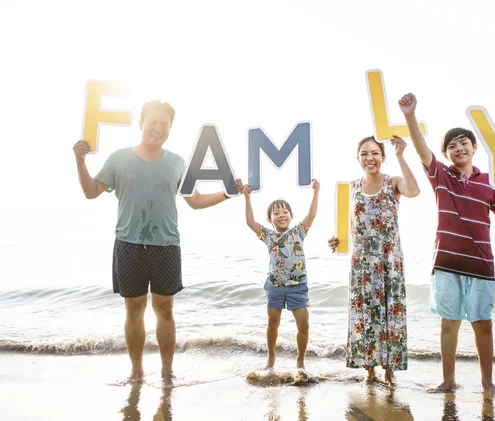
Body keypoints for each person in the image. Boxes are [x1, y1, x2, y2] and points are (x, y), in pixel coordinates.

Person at [72, 100, 241, 383]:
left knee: (165, 308)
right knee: (133, 309)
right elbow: (91, 191)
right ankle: (137, 371)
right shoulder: (119, 158)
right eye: (153, 123)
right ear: (140, 124)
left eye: (165, 125)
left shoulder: (177, 163)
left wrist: (227, 194)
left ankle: (166, 371)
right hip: (128, 243)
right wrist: (80, 161)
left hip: (166, 244)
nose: (158, 129)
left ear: (170, 129)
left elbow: (195, 202)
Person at [398, 93, 495, 394]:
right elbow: (421, 148)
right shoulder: (440, 175)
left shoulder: (488, 182)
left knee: (483, 323)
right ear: (447, 154)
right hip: (447, 262)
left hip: (481, 263)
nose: (458, 148)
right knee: (448, 323)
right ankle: (448, 380)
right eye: (452, 146)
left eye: (463, 143)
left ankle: (487, 382)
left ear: (474, 147)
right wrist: (410, 116)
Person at [328, 135, 420, 385]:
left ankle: (389, 368)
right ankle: (369, 369)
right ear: (357, 158)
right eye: (364, 154)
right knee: (365, 315)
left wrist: (402, 155)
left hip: (389, 261)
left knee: (390, 314)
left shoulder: (394, 183)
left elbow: (414, 190)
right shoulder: (351, 187)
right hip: (362, 264)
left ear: (383, 156)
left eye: (375, 153)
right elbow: (346, 225)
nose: (370, 158)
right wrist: (337, 241)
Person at [238, 179, 320, 374]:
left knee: (304, 325)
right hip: (275, 286)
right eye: (276, 213)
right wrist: (247, 198)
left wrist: (315, 193)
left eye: (285, 213)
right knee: (272, 323)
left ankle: (300, 361)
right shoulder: (268, 235)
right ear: (270, 219)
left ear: (291, 216)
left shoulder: (299, 232)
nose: (281, 216)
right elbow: (250, 222)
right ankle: (271, 357)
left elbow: (312, 215)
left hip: (298, 286)